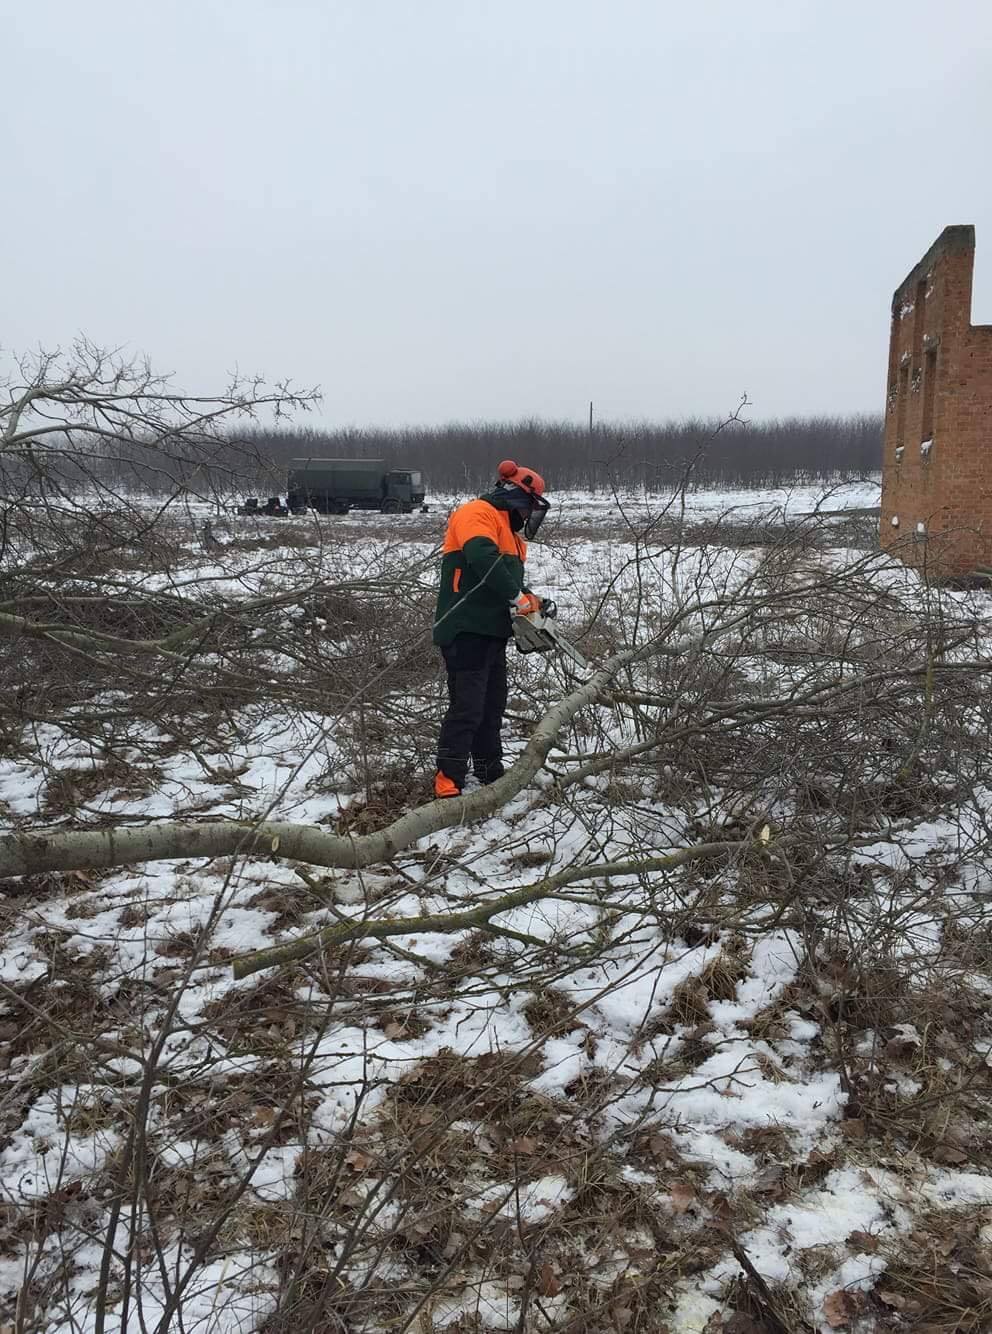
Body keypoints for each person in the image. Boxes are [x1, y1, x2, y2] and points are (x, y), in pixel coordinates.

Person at [432, 459, 551, 798]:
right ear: (516, 496)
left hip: (493, 631)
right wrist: (517, 597)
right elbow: (481, 557)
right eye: (527, 507)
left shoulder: (513, 537)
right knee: (467, 707)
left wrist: (530, 599)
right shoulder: (477, 513)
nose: (527, 515)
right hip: (465, 626)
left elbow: (508, 580)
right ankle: (448, 777)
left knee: (492, 706)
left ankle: (488, 770)